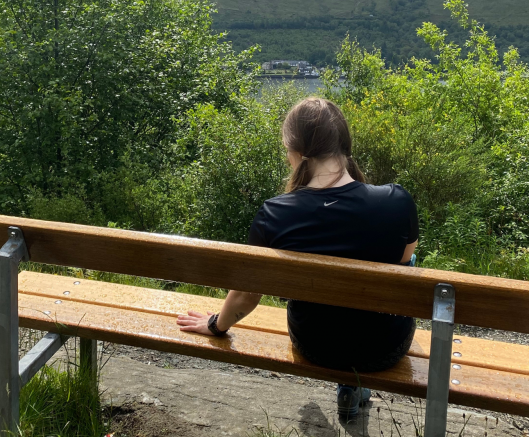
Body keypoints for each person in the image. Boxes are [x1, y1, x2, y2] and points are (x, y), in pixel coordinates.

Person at [177, 97, 419, 418]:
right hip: (386, 348)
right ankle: (352, 387)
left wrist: (216, 325)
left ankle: (347, 385)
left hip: (314, 346)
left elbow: (246, 297)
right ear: (344, 147)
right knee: (409, 265)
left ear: (294, 152)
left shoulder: (274, 214)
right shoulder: (396, 201)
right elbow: (402, 267)